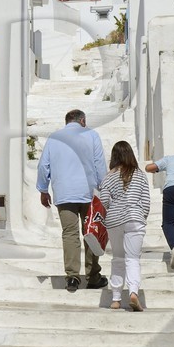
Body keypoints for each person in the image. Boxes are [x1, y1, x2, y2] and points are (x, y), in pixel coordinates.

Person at [36, 109, 108, 291]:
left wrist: (43, 190)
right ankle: (92, 276)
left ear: (67, 121)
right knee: (91, 231)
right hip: (89, 193)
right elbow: (99, 163)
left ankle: (72, 277)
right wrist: (104, 189)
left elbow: (43, 166)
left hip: (64, 194)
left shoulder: (54, 138)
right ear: (82, 120)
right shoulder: (91, 134)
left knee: (69, 233)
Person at [98, 140, 151, 311]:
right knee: (133, 258)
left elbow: (104, 201)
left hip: (113, 221)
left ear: (114, 157)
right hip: (134, 219)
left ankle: (115, 298)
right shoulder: (140, 174)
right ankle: (133, 292)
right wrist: (140, 216)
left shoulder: (108, 177)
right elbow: (146, 202)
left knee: (118, 258)